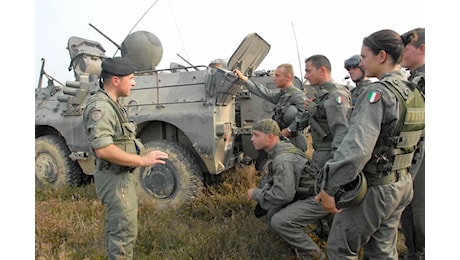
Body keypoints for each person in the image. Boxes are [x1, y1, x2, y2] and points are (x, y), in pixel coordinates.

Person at [314, 29, 425, 259]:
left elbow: (357, 149)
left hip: (375, 189)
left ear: (381, 56)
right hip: (401, 185)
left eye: (364, 57)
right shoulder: (413, 91)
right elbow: (418, 144)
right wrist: (406, 178)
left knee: (340, 249)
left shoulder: (378, 93)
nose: (362, 63)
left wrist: (330, 187)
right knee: (382, 250)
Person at [83, 57, 169, 259]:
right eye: (130, 78)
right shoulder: (102, 107)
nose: (134, 82)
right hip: (114, 179)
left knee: (126, 228)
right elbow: (103, 149)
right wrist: (142, 160)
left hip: (121, 177)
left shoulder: (114, 104)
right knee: (122, 233)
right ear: (115, 80)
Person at [246, 119, 328, 260]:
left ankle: (315, 256)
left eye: (256, 135)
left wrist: (256, 194)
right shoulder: (280, 150)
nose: (252, 139)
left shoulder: (283, 158)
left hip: (319, 198)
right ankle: (298, 244)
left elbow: (283, 195)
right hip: (310, 195)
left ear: (270, 137)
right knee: (273, 214)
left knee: (280, 221)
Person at [233, 63, 308, 152]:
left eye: (277, 76)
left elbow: (305, 115)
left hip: (295, 143)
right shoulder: (282, 95)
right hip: (285, 142)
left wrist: (289, 130)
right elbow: (263, 92)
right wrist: (245, 80)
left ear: (288, 77)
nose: (274, 78)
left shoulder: (297, 95)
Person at [399, 27, 425, 260]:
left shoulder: (423, 80)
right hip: (412, 151)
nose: (401, 54)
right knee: (409, 207)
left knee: (419, 210)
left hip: (422, 154)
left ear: (422, 49)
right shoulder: (413, 80)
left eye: (406, 49)